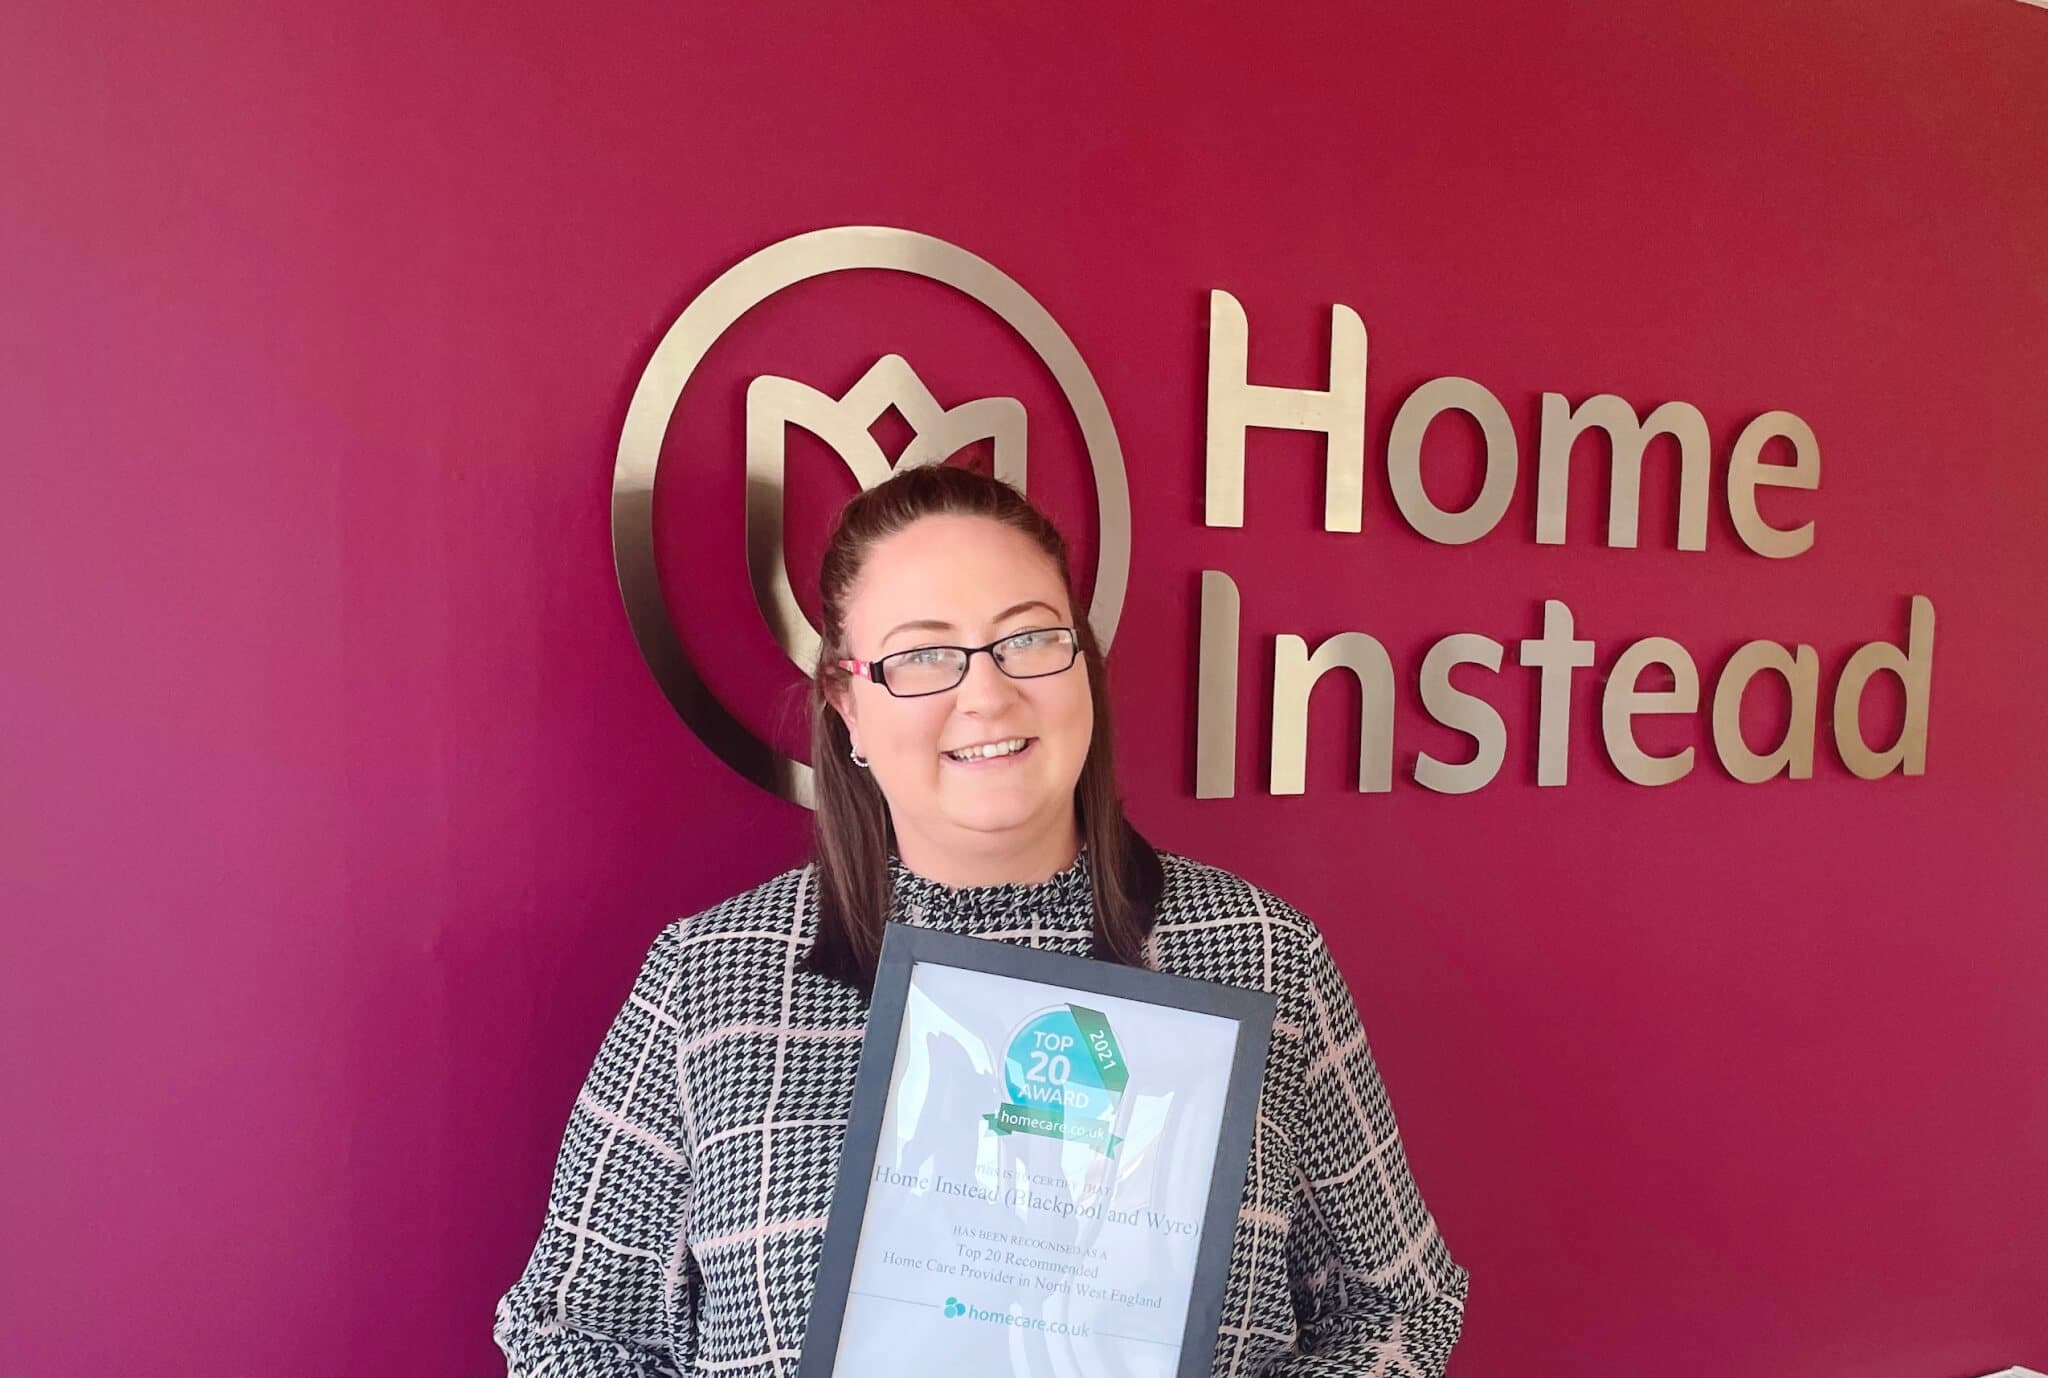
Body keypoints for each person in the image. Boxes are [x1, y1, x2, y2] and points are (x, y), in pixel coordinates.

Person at [493, 464, 1470, 1376]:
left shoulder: (1259, 955)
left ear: (1082, 662)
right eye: (922, 654)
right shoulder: (709, 979)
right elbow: (565, 1328)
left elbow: (1402, 1306)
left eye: (1029, 637)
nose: (986, 691)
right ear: (846, 703)